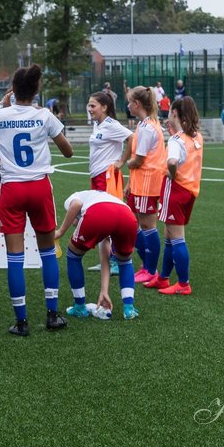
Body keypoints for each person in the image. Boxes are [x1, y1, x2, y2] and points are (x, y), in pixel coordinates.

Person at [0, 65, 74, 336]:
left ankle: (21, 321)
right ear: (36, 91)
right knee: (47, 251)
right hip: (39, 187)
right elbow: (68, 151)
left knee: (15, 257)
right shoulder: (44, 115)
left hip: (11, 187)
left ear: (13, 89)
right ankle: (52, 315)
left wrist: (2, 108)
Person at [55, 189, 140, 321]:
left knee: (73, 255)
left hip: (99, 212)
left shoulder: (75, 196)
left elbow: (76, 205)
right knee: (125, 261)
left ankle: (79, 306)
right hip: (127, 215)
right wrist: (104, 291)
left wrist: (60, 232)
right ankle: (128, 309)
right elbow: (105, 259)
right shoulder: (102, 196)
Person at [155, 96, 204, 296]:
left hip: (175, 190)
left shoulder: (175, 141)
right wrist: (174, 131)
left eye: (169, 112)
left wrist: (172, 173)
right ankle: (163, 278)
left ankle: (183, 284)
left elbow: (173, 162)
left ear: (174, 113)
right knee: (169, 235)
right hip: (190, 191)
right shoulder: (196, 137)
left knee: (176, 238)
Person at [121, 86, 166, 287]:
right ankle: (147, 266)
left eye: (130, 102)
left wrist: (120, 164)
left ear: (137, 104)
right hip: (140, 182)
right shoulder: (145, 124)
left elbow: (138, 160)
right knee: (131, 223)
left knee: (147, 225)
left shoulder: (148, 127)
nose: (128, 105)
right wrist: (130, 181)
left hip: (148, 183)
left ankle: (150, 269)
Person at [86, 90, 132, 274]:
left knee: (109, 219)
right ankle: (105, 260)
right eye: (89, 105)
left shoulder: (111, 125)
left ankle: (115, 260)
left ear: (104, 107)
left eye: (93, 105)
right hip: (96, 176)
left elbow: (132, 137)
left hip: (107, 177)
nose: (89, 109)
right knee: (101, 220)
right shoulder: (98, 124)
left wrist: (121, 161)